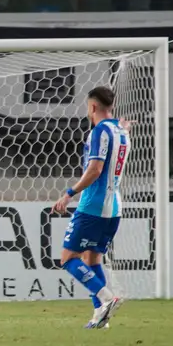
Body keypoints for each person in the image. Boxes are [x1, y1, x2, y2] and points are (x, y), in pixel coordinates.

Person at [52, 86, 128, 329]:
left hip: (92, 205)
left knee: (68, 259)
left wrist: (69, 194)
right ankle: (99, 316)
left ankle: (106, 298)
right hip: (114, 208)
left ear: (93, 106)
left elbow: (95, 169)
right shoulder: (122, 131)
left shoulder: (99, 131)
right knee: (92, 258)